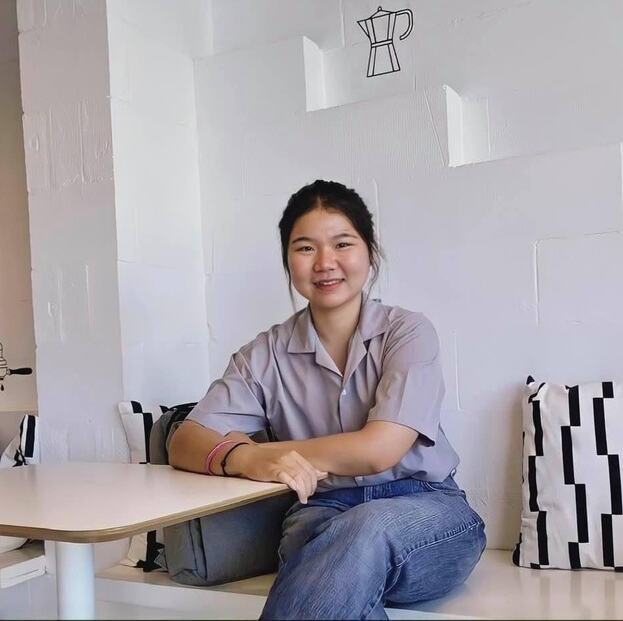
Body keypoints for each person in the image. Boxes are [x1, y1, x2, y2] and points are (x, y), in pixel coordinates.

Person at [168, 179, 486, 620]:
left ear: (369, 251)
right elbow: (185, 441)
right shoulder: (265, 353)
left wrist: (267, 453)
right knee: (329, 558)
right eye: (305, 248)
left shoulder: (408, 332)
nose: (324, 263)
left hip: (427, 509)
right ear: (288, 260)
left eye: (342, 243)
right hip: (321, 513)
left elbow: (379, 449)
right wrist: (246, 458)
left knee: (364, 529)